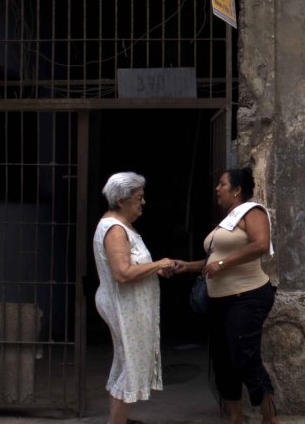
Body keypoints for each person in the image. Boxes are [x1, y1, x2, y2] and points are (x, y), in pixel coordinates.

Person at [174, 168, 278, 424]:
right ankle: (235, 417)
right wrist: (186, 266)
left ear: (237, 189)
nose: (217, 189)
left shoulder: (252, 212)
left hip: (247, 296)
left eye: (222, 184)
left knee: (245, 358)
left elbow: (261, 245)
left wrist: (223, 265)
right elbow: (213, 260)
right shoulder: (227, 220)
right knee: (222, 359)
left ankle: (270, 417)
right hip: (220, 301)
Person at [92, 172, 178, 424]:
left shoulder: (120, 226)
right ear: (121, 200)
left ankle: (118, 420)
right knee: (132, 366)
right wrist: (158, 263)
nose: (143, 203)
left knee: (125, 362)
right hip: (124, 306)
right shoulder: (115, 229)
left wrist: (157, 270)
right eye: (138, 198)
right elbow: (122, 273)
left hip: (128, 305)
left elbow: (132, 266)